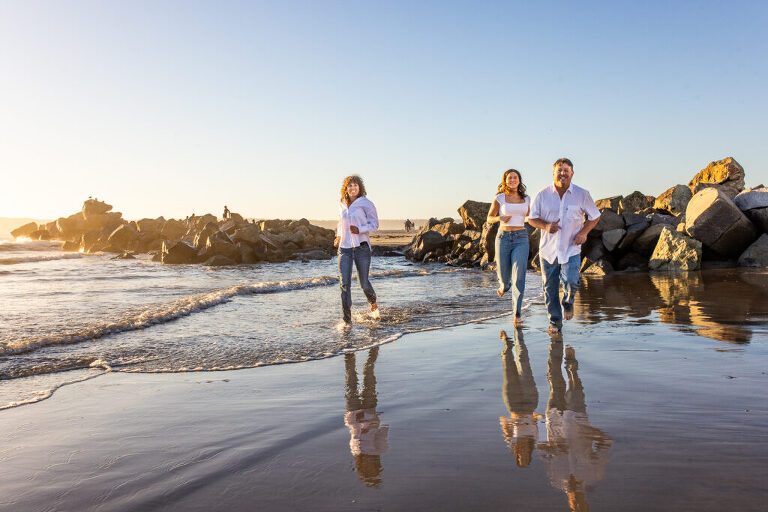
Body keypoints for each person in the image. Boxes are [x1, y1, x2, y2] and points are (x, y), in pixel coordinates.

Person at [528, 158, 600, 334]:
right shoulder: (542, 194)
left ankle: (568, 302)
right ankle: (555, 323)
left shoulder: (582, 194)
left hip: (571, 248)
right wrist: (546, 226)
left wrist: (583, 233)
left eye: (566, 170)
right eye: (559, 170)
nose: (562, 173)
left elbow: (595, 216)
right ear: (553, 173)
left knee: (571, 281)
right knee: (549, 288)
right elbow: (531, 218)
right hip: (548, 250)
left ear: (572, 173)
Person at [487, 169, 530, 326]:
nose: (512, 180)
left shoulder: (526, 199)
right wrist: (500, 217)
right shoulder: (500, 198)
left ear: (519, 180)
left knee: (519, 277)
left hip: (521, 238)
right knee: (505, 281)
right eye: (509, 178)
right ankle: (504, 286)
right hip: (503, 238)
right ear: (505, 181)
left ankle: (517, 314)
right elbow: (489, 218)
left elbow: (531, 217)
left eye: (515, 177)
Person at [334, 175, 379, 324]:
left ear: (360, 188)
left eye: (355, 185)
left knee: (363, 283)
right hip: (344, 249)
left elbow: (374, 225)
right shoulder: (341, 203)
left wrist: (359, 229)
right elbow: (341, 223)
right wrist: (339, 236)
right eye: (350, 186)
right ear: (346, 188)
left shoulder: (366, 203)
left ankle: (373, 303)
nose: (352, 188)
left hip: (362, 248)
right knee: (344, 284)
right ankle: (347, 321)